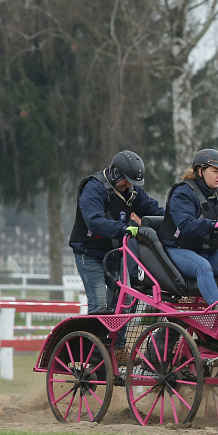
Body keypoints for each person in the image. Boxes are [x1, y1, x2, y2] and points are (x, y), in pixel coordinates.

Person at [69, 151, 165, 356]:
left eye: (132, 183)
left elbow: (156, 211)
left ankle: (118, 348)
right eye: (126, 181)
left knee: (123, 301)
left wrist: (176, 222)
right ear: (114, 173)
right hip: (89, 253)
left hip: (114, 254)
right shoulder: (93, 188)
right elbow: (94, 222)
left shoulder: (133, 192)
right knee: (99, 304)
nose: (129, 186)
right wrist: (124, 229)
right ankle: (95, 358)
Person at [158, 149, 218, 306]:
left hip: (208, 252)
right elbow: (186, 226)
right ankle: (217, 313)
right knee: (203, 267)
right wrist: (213, 225)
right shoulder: (183, 193)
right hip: (177, 250)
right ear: (200, 171)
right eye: (215, 171)